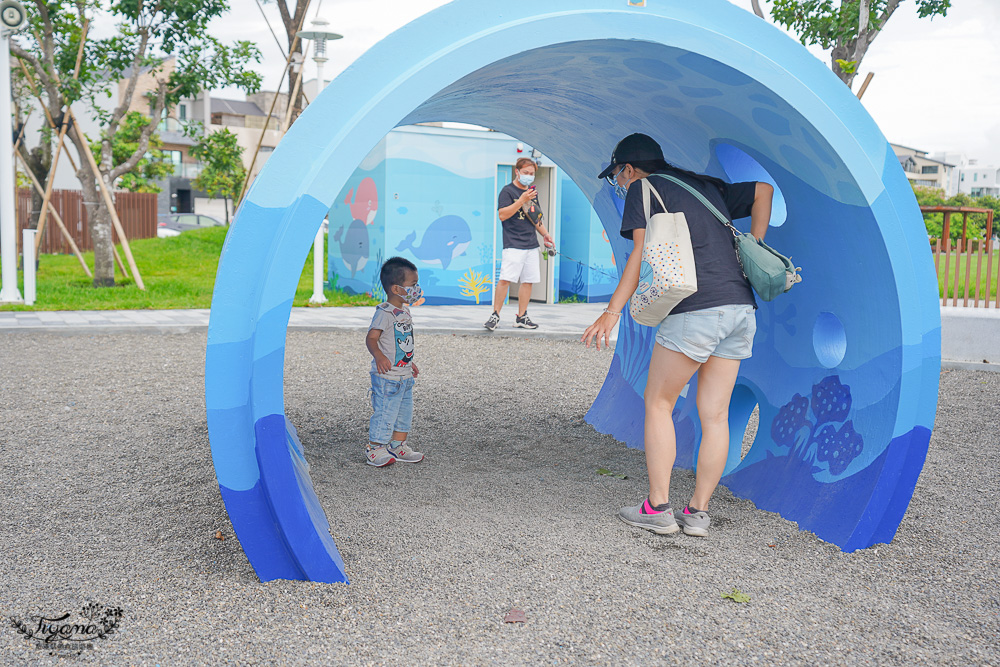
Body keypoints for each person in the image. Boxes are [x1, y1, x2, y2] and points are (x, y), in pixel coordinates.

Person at [583, 133, 773, 537]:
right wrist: (755, 241)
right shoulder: (705, 185)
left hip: (694, 310)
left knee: (658, 402)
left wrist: (612, 312)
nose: (618, 181)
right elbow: (762, 191)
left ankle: (658, 508)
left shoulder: (642, 189)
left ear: (629, 168)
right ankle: (698, 514)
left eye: (617, 174)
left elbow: (638, 255)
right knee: (716, 414)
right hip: (740, 306)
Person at [364, 256, 425, 467]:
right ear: (397, 289)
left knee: (404, 411)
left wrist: (409, 361)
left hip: (404, 374)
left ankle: (398, 445)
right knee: (385, 411)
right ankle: (375, 447)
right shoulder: (384, 313)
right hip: (387, 377)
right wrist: (379, 356)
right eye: (413, 285)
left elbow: (400, 342)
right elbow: (371, 338)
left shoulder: (404, 311)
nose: (416, 289)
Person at [485, 157, 555, 331]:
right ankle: (495, 315)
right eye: (525, 173)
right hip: (513, 244)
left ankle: (521, 316)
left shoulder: (532, 192)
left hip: (531, 244)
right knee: (505, 279)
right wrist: (521, 200)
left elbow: (534, 217)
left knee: (528, 281)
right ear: (517, 172)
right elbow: (503, 214)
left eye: (531, 174)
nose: (528, 176)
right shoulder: (507, 191)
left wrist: (545, 235)